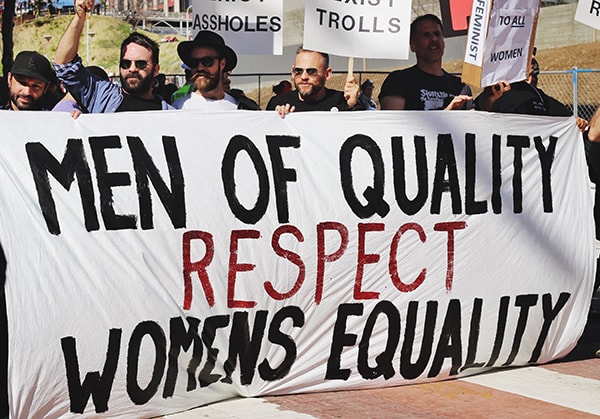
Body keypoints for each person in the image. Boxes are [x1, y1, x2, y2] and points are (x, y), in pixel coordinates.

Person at [53, 0, 172, 112]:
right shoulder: (102, 96)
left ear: (156, 70)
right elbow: (64, 65)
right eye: (126, 64)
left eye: (141, 64)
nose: (132, 69)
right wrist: (79, 16)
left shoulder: (170, 115)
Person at [379, 14, 472, 111]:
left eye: (437, 34)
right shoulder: (398, 81)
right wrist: (448, 112)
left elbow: (473, 118)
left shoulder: (460, 87)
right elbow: (393, 119)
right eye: (426, 35)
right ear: (413, 45)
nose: (433, 39)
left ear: (444, 42)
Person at [173, 30, 257, 111]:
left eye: (207, 61)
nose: (200, 68)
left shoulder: (242, 107)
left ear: (222, 64)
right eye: (193, 62)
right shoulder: (179, 109)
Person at [266, 46, 360, 117]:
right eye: (298, 71)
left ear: (327, 74)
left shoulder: (342, 101)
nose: (304, 77)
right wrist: (277, 118)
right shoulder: (277, 103)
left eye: (311, 72)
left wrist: (352, 106)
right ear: (293, 72)